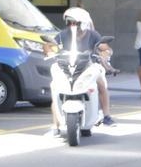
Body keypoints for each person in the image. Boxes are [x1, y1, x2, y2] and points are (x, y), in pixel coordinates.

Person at [47, 7, 114, 138]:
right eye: (70, 22)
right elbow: (50, 44)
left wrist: (105, 53)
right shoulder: (64, 34)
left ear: (83, 23)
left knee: (101, 84)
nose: (72, 25)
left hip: (87, 67)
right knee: (56, 88)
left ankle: (106, 116)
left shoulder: (92, 35)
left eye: (75, 23)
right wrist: (50, 51)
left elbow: (104, 47)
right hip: (67, 67)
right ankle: (55, 126)